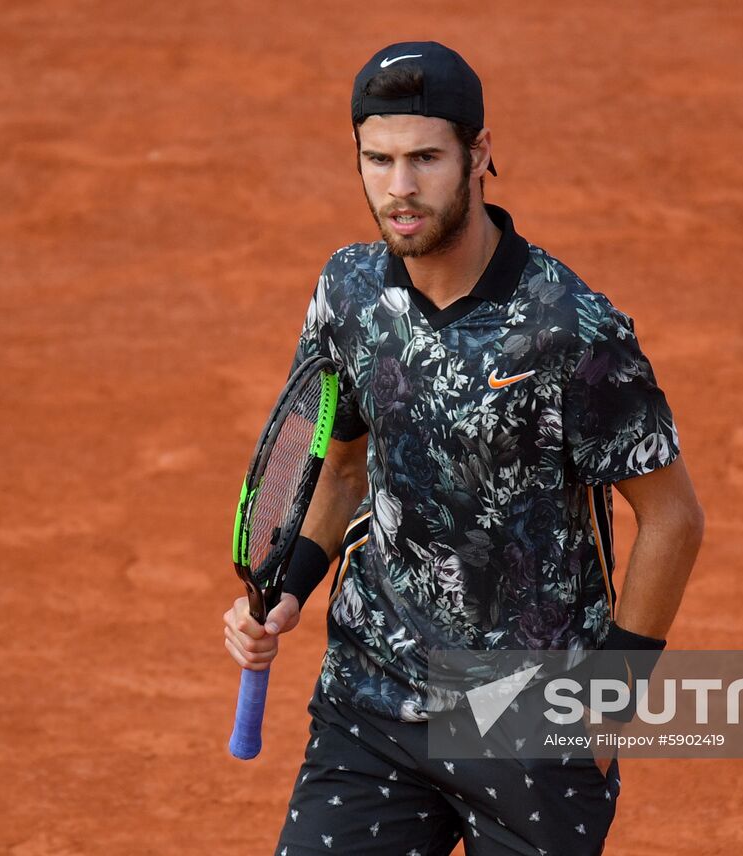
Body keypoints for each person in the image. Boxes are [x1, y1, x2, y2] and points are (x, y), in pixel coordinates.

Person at [222, 41, 705, 856]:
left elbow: (673, 519)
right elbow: (341, 468)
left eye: (425, 159)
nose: (399, 189)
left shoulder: (571, 330)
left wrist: (610, 699)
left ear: (480, 155)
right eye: (377, 160)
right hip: (373, 703)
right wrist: (292, 589)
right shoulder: (349, 292)